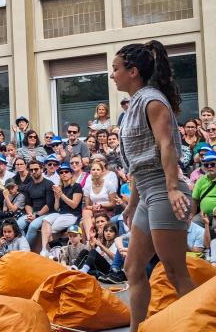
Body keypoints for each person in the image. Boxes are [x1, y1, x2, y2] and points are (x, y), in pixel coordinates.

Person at [114, 41, 196, 331]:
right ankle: (137, 329)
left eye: (116, 69)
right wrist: (133, 203)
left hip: (164, 191)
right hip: (148, 193)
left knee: (175, 271)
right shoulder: (134, 105)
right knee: (133, 268)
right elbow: (141, 163)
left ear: (133, 71)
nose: (112, 75)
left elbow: (167, 146)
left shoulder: (152, 101)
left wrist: (173, 187)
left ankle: (203, 325)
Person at [39, 163, 83, 256]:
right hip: (60, 213)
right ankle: (43, 250)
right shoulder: (60, 187)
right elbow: (56, 207)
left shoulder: (76, 186)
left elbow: (74, 205)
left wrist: (61, 194)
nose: (64, 174)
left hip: (72, 214)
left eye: (66, 171)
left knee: (51, 228)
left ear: (71, 173)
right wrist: (57, 197)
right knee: (45, 220)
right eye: (61, 172)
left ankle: (54, 250)